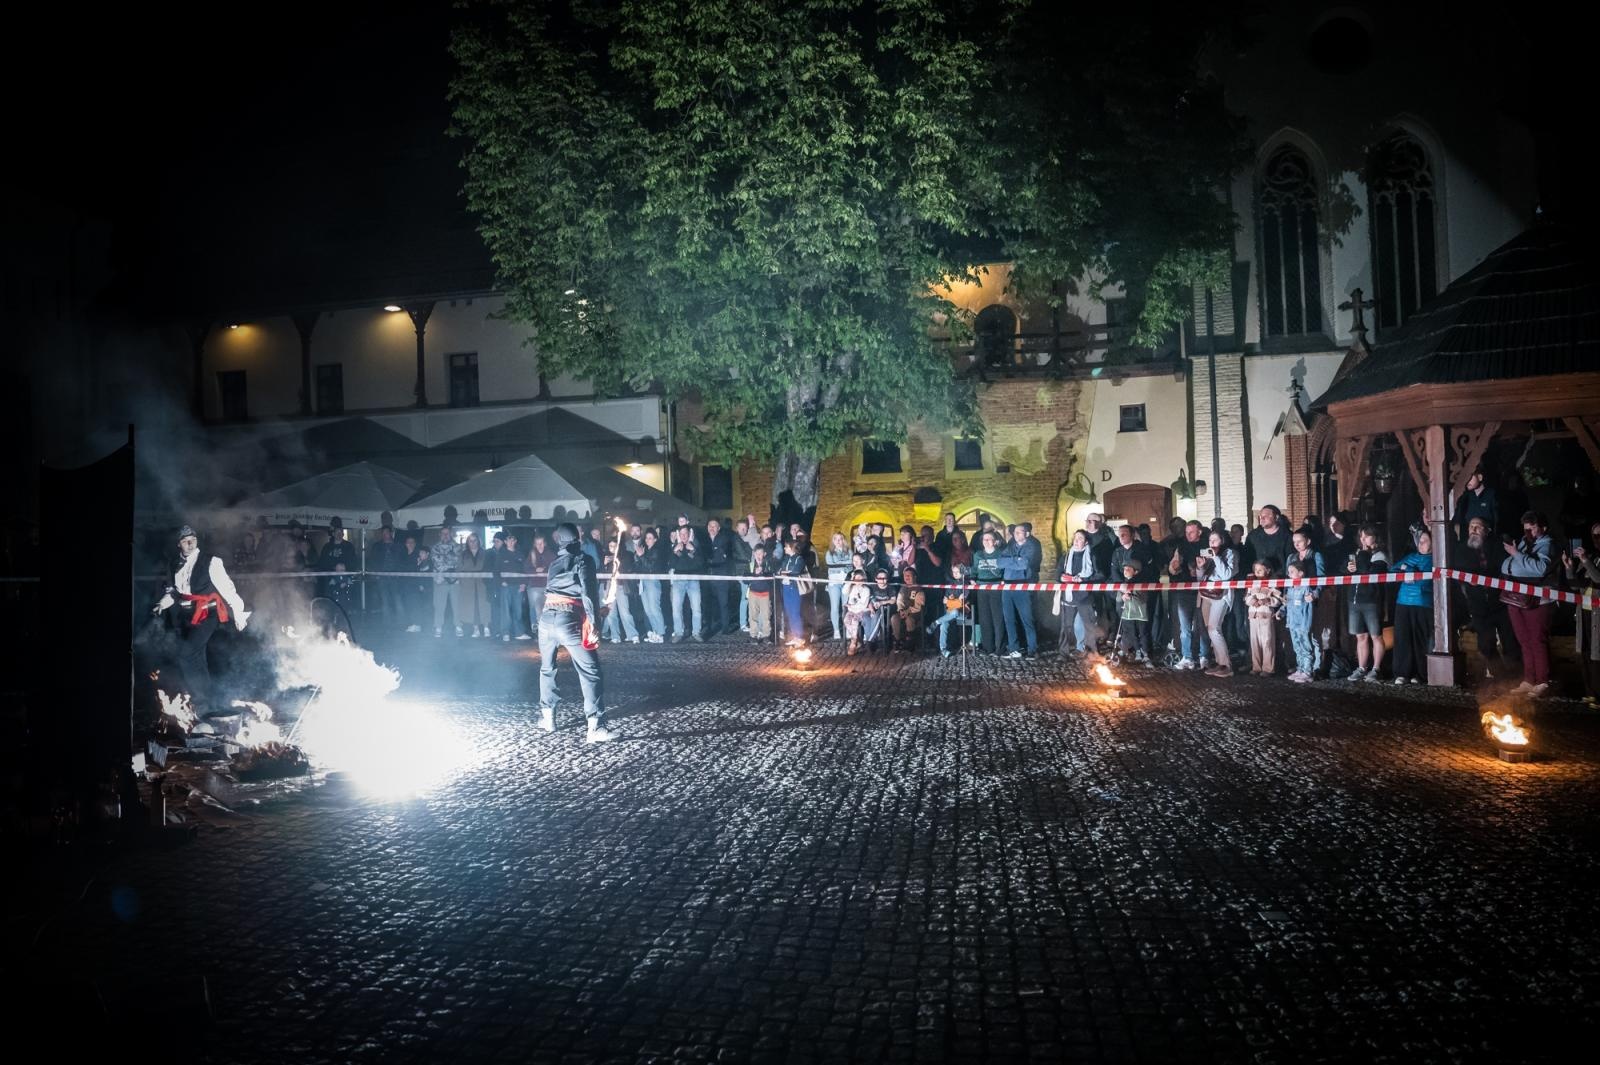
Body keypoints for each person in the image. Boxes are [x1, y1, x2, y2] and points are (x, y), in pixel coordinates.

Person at [152, 524, 251, 716]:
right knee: (197, 658)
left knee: (187, 654)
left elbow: (228, 589)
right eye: (185, 541)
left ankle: (202, 703)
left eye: (193, 540)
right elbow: (173, 592)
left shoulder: (211, 562)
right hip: (187, 616)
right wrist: (161, 605)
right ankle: (209, 704)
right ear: (178, 544)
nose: (189, 544)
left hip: (208, 614)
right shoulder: (173, 564)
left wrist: (239, 612)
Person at [535, 523, 615, 742]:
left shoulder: (553, 564)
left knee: (547, 668)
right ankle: (596, 726)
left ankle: (548, 718)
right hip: (567, 619)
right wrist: (596, 622)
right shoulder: (583, 560)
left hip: (546, 619)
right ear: (577, 538)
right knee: (590, 670)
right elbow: (588, 595)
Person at [1457, 516, 1520, 678]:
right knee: (1485, 644)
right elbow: (1459, 573)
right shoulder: (1462, 550)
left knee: (1510, 642)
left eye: (1478, 527)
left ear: (1487, 530)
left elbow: (1503, 569)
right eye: (1471, 527)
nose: (1474, 530)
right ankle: (1499, 677)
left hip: (1500, 602)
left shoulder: (1497, 548)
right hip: (1478, 605)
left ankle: (1516, 676)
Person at [1502, 511, 1557, 697]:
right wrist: (1516, 556)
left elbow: (1540, 569)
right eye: (1526, 529)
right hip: (1517, 597)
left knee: (1536, 640)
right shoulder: (1525, 542)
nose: (1529, 533)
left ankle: (1542, 680)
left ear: (1543, 528)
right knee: (1524, 640)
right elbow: (1507, 566)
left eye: (1532, 528)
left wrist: (1516, 555)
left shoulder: (1547, 545)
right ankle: (1528, 679)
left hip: (1538, 600)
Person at [1562, 522, 1600, 707]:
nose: (1597, 539)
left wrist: (1585, 560)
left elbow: (1598, 578)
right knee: (1584, 651)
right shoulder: (1591, 555)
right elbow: (1576, 585)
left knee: (1597, 654)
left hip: (1598, 614)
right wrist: (1569, 567)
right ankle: (1590, 693)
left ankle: (1598, 694)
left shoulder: (1589, 558)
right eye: (1594, 535)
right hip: (1584, 611)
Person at [1391, 527, 1434, 684]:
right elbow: (1393, 569)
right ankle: (1402, 673)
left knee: (1420, 638)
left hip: (1422, 603)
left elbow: (1425, 579)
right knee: (1403, 637)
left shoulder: (1435, 559)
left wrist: (1407, 569)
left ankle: (1420, 673)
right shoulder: (1410, 556)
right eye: (1419, 540)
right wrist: (1407, 569)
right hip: (1403, 601)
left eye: (1425, 540)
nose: (1421, 543)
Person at [1345, 524, 1389, 682]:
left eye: (1367, 536)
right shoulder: (1356, 553)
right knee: (1360, 636)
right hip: (1355, 601)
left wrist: (1362, 555)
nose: (1362, 539)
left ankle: (1376, 669)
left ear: (1375, 537)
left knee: (1376, 636)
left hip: (1371, 601)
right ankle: (1362, 667)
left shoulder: (1380, 556)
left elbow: (1367, 573)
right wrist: (1348, 568)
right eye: (1361, 536)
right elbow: (1349, 572)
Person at [1196, 529, 1238, 677]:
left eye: (1215, 540)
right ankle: (1220, 662)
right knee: (1211, 629)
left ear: (1223, 540)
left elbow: (1227, 574)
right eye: (1210, 541)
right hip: (1207, 593)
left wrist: (1216, 558)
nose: (1211, 543)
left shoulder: (1230, 553)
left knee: (1215, 629)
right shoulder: (1209, 555)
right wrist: (1201, 567)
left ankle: (1226, 665)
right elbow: (1200, 578)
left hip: (1221, 595)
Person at [998, 523, 1041, 659]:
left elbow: (1025, 564)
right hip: (1007, 586)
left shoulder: (1032, 546)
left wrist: (1011, 561)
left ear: (1026, 534)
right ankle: (1013, 649)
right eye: (1015, 532)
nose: (1016, 534)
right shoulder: (1011, 545)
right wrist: (1016, 560)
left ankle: (1033, 649)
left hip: (1022, 586)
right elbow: (999, 562)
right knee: (1009, 619)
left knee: (1027, 619)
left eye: (1019, 532)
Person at [1169, 521, 1207, 669]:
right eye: (1186, 532)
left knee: (1202, 626)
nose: (1188, 535)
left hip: (1202, 591)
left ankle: (1204, 656)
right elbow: (1173, 568)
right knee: (1184, 628)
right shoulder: (1182, 546)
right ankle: (1187, 656)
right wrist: (1174, 567)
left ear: (1199, 532)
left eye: (1191, 532)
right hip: (1184, 589)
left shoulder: (1206, 546)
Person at [1056, 529, 1100, 656]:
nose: (1076, 541)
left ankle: (1091, 651)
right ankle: (1063, 652)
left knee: (1088, 625)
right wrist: (1061, 578)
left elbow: (1100, 575)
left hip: (1085, 596)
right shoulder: (1066, 556)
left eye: (1080, 538)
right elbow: (1058, 573)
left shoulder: (1092, 557)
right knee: (1066, 626)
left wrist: (1083, 579)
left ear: (1086, 542)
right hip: (1069, 596)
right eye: (1075, 538)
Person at [601, 526, 642, 644]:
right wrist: (604, 564)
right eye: (610, 546)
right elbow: (602, 573)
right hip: (609, 587)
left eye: (615, 546)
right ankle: (615, 636)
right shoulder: (605, 557)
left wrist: (616, 560)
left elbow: (628, 567)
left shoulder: (626, 555)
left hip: (620, 586)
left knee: (625, 611)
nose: (612, 548)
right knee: (611, 612)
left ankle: (633, 635)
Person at [1243, 559, 1283, 676]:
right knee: (1254, 642)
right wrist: (1252, 601)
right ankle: (1256, 666)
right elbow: (1246, 597)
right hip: (1253, 617)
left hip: (1266, 616)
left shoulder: (1272, 583)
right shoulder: (1252, 583)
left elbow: (1278, 600)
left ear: (1268, 570)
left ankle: (1268, 668)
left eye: (1260, 569)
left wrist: (1267, 600)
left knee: (1267, 642)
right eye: (1255, 570)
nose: (1257, 572)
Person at [970, 529, 1006, 655]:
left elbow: (1004, 570)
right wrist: (972, 579)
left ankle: (999, 648)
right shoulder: (978, 555)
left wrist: (1003, 580)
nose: (986, 541)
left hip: (996, 588)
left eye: (989, 539)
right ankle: (987, 647)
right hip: (981, 589)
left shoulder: (1000, 554)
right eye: (984, 539)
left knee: (998, 618)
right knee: (985, 619)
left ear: (995, 541)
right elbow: (974, 569)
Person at [424, 525, 465, 637]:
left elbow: (459, 562)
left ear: (451, 534)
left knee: (457, 605)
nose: (445, 535)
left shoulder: (458, 547)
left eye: (447, 533)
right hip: (440, 581)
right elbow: (438, 563)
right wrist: (451, 561)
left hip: (455, 581)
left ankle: (458, 626)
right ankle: (438, 627)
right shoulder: (435, 548)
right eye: (443, 533)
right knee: (439, 605)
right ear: (439, 535)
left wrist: (447, 560)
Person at [669, 525, 707, 641]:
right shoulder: (675, 547)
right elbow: (671, 564)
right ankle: (678, 632)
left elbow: (699, 563)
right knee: (676, 608)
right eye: (681, 534)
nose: (684, 536)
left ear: (690, 534)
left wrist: (693, 551)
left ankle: (696, 632)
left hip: (693, 580)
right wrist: (676, 552)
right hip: (678, 580)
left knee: (696, 608)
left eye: (686, 533)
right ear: (679, 536)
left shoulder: (696, 546)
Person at [1112, 561, 1152, 665]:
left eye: (1128, 569)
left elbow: (1144, 598)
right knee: (1132, 634)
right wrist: (1122, 596)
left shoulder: (1141, 583)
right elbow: (1118, 599)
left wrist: (1133, 595)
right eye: (1124, 569)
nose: (1125, 571)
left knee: (1143, 633)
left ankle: (1145, 653)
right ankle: (1137, 651)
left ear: (1136, 571)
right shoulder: (1123, 583)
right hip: (1128, 614)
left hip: (1140, 613)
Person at [928, 563, 972, 658]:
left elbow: (961, 603)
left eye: (957, 572)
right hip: (949, 613)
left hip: (962, 612)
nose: (955, 574)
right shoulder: (951, 585)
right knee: (943, 625)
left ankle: (936, 622)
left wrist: (951, 601)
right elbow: (945, 601)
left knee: (955, 611)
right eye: (954, 572)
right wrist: (951, 601)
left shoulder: (966, 584)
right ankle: (943, 650)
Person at [493, 531, 529, 641]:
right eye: (508, 540)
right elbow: (496, 571)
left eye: (512, 540)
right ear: (505, 541)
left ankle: (518, 633)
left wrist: (524, 583)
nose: (511, 542)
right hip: (506, 586)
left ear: (515, 541)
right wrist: (501, 582)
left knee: (518, 610)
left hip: (518, 587)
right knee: (506, 611)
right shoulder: (501, 554)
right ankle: (505, 633)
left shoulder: (520, 554)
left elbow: (525, 570)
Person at [706, 518, 740, 636]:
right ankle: (712, 627)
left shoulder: (724, 539)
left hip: (721, 576)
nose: (712, 528)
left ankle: (725, 627)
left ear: (719, 528)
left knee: (723, 603)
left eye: (714, 526)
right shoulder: (704, 540)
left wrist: (713, 556)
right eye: (710, 525)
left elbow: (722, 557)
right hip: (708, 577)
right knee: (710, 604)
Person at [776, 537, 812, 645]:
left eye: (786, 546)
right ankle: (794, 635)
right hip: (786, 587)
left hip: (795, 588)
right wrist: (785, 572)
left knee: (795, 612)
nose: (784, 548)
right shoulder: (786, 559)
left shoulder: (799, 559)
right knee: (789, 611)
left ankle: (799, 636)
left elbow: (796, 571)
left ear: (792, 547)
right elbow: (781, 570)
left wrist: (785, 572)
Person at [636, 528, 669, 643]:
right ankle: (655, 632)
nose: (648, 540)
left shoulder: (656, 551)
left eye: (650, 538)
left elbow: (651, 567)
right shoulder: (645, 550)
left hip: (653, 581)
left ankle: (660, 633)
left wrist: (641, 556)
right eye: (646, 538)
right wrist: (638, 557)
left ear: (655, 540)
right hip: (643, 581)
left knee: (654, 608)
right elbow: (640, 566)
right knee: (648, 610)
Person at [457, 532, 492, 637]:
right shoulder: (463, 554)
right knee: (472, 607)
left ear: (478, 541)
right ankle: (475, 629)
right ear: (467, 542)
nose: (472, 543)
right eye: (470, 541)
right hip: (468, 586)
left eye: (474, 540)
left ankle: (486, 628)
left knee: (485, 606)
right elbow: (459, 569)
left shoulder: (485, 553)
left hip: (482, 584)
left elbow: (489, 568)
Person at [1455, 467, 1498, 543]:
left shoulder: (1492, 495)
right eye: (1465, 477)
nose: (1467, 481)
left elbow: (1497, 520)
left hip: (1488, 541)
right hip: (1468, 541)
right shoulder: (1464, 497)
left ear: (1480, 477)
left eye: (1470, 477)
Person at [824, 532, 853, 640]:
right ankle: (836, 630)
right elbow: (830, 565)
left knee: (846, 606)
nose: (838, 541)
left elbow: (851, 565)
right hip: (834, 583)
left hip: (846, 582)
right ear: (833, 541)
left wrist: (841, 565)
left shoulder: (849, 551)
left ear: (843, 540)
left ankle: (847, 628)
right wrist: (844, 565)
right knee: (835, 607)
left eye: (840, 539)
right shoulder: (829, 553)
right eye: (835, 539)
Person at [890, 567, 926, 652]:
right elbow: (900, 600)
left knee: (909, 620)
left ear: (914, 576)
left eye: (909, 575)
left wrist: (907, 611)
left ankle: (910, 641)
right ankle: (897, 640)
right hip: (903, 611)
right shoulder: (903, 588)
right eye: (905, 575)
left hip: (915, 612)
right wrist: (901, 610)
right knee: (894, 618)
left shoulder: (919, 589)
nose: (907, 577)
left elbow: (919, 605)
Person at [525, 531, 555, 630]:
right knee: (533, 606)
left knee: (546, 608)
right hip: (534, 585)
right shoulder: (531, 554)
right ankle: (535, 626)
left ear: (544, 543)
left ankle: (546, 628)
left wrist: (544, 570)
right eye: (537, 544)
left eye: (541, 543)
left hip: (547, 586)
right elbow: (525, 568)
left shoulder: (550, 554)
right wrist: (535, 570)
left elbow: (555, 567)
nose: (539, 546)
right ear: (534, 544)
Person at [843, 569, 877, 655]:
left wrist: (851, 606)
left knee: (854, 621)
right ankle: (856, 640)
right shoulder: (852, 588)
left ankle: (853, 642)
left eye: (860, 579)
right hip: (851, 611)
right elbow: (844, 591)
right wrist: (850, 580)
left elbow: (863, 605)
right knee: (846, 620)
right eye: (856, 579)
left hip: (860, 611)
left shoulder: (866, 590)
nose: (858, 582)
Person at [747, 542, 776, 639]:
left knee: (766, 615)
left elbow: (772, 577)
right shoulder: (750, 564)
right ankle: (753, 635)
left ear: (764, 554)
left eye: (761, 553)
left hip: (765, 593)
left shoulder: (768, 564)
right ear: (754, 554)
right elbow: (745, 579)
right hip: (753, 593)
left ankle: (766, 634)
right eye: (757, 553)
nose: (759, 556)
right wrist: (754, 574)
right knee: (753, 616)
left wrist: (763, 572)